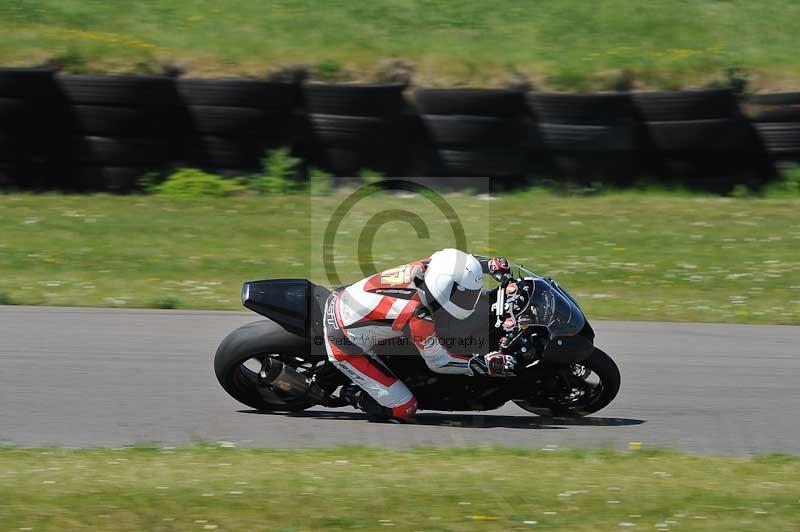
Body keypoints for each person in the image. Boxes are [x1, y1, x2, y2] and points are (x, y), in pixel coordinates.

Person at [323, 248, 517, 422]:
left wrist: (489, 265)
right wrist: (481, 363)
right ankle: (352, 393)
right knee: (404, 408)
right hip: (344, 341)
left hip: (349, 298)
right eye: (466, 295)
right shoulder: (418, 315)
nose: (472, 299)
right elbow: (439, 362)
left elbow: (460, 265)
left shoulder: (432, 267)